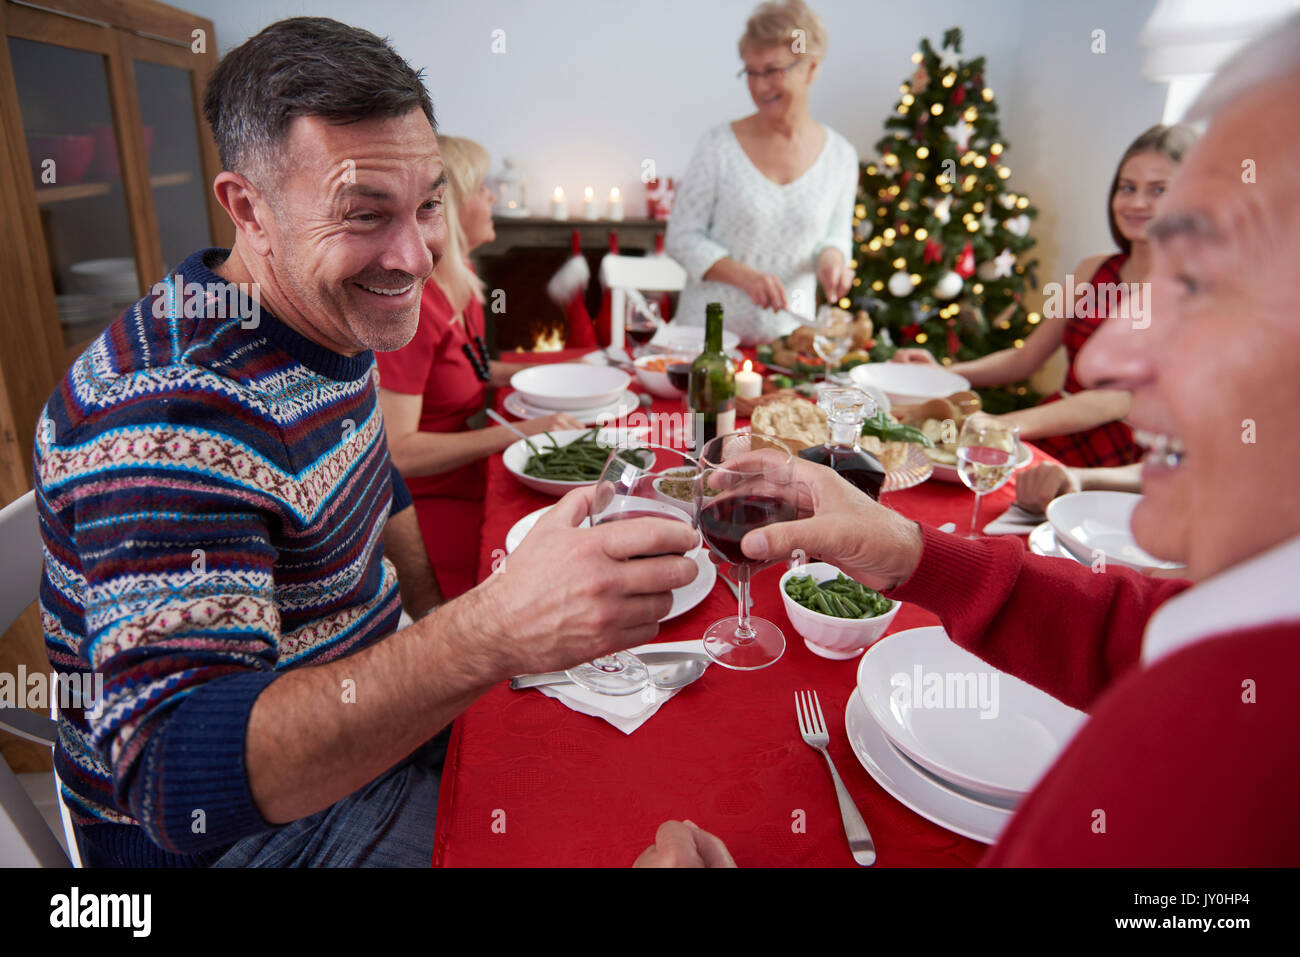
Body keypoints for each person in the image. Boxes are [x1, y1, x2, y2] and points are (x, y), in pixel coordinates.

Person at [33, 16, 698, 868]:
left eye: (426, 206)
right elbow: (177, 782)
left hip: (369, 729)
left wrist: (444, 619)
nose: (416, 256)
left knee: (647, 771)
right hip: (243, 837)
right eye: (364, 214)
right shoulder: (167, 410)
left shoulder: (322, 317)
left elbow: (377, 482)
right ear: (248, 207)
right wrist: (487, 631)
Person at [639, 15, 1300, 865]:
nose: (1113, 354)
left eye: (1205, 287)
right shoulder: (1229, 635)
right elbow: (1127, 632)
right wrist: (912, 550)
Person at [895, 125, 1198, 469]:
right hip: (1053, 435)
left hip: (1119, 464)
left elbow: (1117, 399)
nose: (1137, 202)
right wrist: (944, 373)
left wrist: (1003, 424)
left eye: (1158, 190)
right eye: (1128, 188)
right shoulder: (1092, 270)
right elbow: (1026, 358)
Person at [375, 135, 580, 599]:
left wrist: (570, 365)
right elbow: (399, 452)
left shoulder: (458, 280)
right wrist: (521, 431)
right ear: (448, 206)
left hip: (469, 476)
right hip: (421, 506)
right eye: (482, 187)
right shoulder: (414, 307)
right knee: (540, 572)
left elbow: (473, 368)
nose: (493, 197)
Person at [666, 0, 856, 345]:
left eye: (772, 70)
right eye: (750, 72)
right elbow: (681, 237)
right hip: (706, 345)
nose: (759, 85)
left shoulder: (841, 157)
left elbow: (837, 235)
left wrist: (832, 257)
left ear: (811, 68)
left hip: (788, 347)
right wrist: (745, 277)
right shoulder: (718, 146)